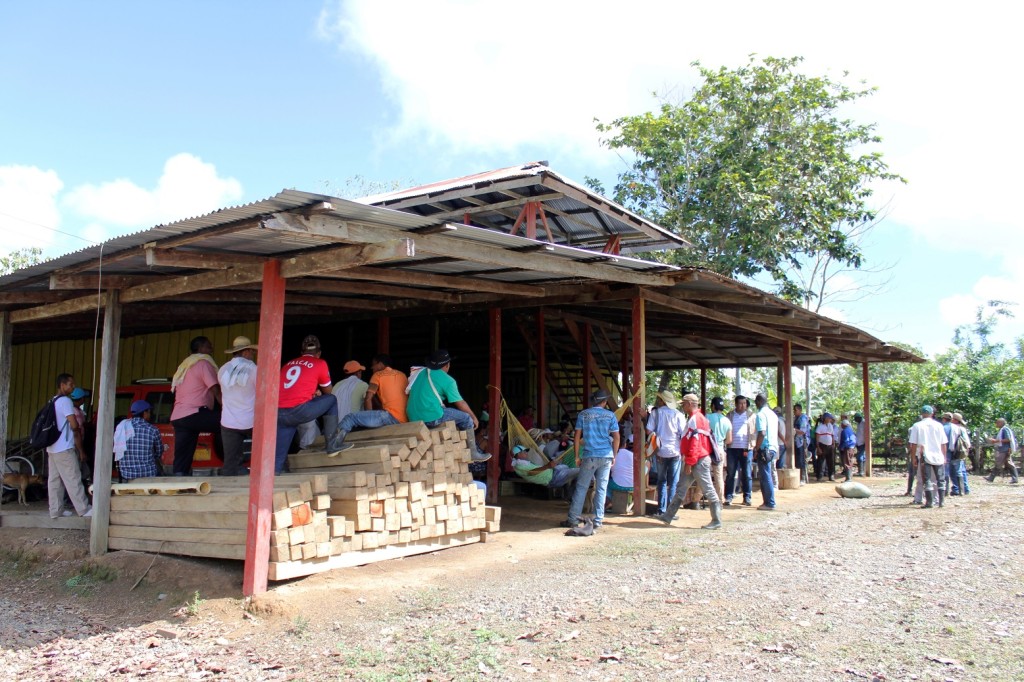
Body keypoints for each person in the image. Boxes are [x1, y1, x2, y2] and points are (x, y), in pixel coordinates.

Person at [406, 349, 490, 462]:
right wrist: (474, 417)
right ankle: (473, 453)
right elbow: (460, 403)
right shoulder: (448, 380)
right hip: (430, 417)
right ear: (447, 365)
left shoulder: (420, 373)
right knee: (466, 418)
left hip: (412, 417)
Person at [276, 335, 343, 473]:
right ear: (318, 353)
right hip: (300, 410)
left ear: (301, 353)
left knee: (277, 461)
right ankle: (332, 444)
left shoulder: (287, 364)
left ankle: (276, 477)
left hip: (279, 413)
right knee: (331, 400)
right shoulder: (320, 363)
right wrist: (316, 392)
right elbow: (328, 391)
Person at [660, 393, 722, 529]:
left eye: (683, 404)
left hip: (697, 460)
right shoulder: (700, 418)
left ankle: (717, 520)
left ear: (689, 404)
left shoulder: (695, 419)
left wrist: (689, 462)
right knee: (681, 488)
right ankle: (668, 515)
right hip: (696, 459)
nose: (682, 406)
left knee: (708, 489)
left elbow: (695, 443)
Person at [562, 389, 619, 530]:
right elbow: (616, 437)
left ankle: (573, 520)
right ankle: (598, 521)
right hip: (606, 455)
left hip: (589, 455)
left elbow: (577, 437)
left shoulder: (584, 414)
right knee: (601, 488)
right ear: (604, 402)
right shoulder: (610, 415)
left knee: (581, 488)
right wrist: (614, 455)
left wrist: (576, 456)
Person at [330, 354, 410, 451]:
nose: (372, 368)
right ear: (358, 373)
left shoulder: (377, 375)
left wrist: (369, 417)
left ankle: (334, 445)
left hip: (389, 416)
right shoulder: (403, 375)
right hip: (404, 419)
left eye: (373, 365)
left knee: (350, 417)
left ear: (380, 364)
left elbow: (368, 398)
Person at [169, 336, 221, 476]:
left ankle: (179, 476)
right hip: (195, 413)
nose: (211, 349)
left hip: (178, 416)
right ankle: (230, 465)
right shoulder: (203, 363)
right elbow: (215, 389)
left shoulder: (184, 366)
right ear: (200, 348)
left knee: (183, 453)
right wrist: (227, 409)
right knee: (228, 424)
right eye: (208, 346)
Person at [46, 373, 92, 519]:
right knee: (73, 478)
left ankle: (55, 510)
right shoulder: (65, 401)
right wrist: (80, 447)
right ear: (62, 385)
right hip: (64, 447)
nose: (72, 387)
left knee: (54, 480)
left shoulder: (52, 400)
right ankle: (84, 509)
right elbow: (73, 424)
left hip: (52, 447)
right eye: (70, 384)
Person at [217, 335, 258, 476]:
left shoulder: (222, 369)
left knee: (230, 463)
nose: (253, 355)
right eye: (252, 352)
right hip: (252, 419)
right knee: (262, 454)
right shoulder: (254, 370)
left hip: (229, 420)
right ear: (245, 352)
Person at [645, 390, 688, 517]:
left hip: (660, 451)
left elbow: (648, 431)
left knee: (661, 481)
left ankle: (661, 509)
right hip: (675, 451)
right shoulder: (678, 415)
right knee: (673, 481)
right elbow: (683, 434)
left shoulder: (655, 413)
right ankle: (671, 512)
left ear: (662, 401)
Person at [908, 405, 948, 508]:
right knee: (940, 479)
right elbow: (943, 443)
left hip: (925, 455)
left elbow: (913, 444)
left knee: (927, 479)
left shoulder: (917, 426)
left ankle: (929, 502)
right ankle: (941, 501)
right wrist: (944, 456)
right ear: (932, 413)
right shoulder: (939, 425)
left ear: (922, 414)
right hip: (938, 455)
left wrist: (913, 458)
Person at [116, 400, 164, 482]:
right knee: (161, 470)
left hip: (127, 474)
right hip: (148, 473)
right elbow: (159, 452)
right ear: (145, 413)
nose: (150, 414)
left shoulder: (122, 427)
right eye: (149, 412)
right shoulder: (153, 430)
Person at [724, 395, 755, 506]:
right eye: (740, 403)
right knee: (731, 473)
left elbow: (755, 431)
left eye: (744, 403)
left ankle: (747, 497)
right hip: (732, 449)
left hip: (746, 448)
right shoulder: (730, 415)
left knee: (746, 474)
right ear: (736, 404)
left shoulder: (751, 416)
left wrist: (753, 445)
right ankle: (728, 497)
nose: (743, 406)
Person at [753, 394, 780, 511]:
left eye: (756, 402)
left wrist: (756, 448)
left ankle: (769, 502)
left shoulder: (760, 415)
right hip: (773, 447)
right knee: (767, 473)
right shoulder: (773, 414)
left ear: (759, 402)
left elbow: (762, 433)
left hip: (765, 448)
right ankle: (768, 501)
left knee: (765, 475)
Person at [512, 444, 579, 488]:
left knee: (570, 469)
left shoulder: (524, 463)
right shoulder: (519, 466)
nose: (526, 453)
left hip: (554, 471)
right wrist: (547, 466)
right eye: (524, 451)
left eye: (526, 451)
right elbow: (531, 472)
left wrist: (551, 465)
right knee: (580, 471)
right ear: (518, 454)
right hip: (553, 478)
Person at [707, 396, 732, 503]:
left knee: (704, 475)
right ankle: (720, 499)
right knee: (719, 477)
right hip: (720, 450)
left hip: (708, 450)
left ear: (713, 406)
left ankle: (696, 499)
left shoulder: (707, 417)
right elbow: (729, 440)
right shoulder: (727, 421)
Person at [986, 417, 1019, 484]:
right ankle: (1015, 478)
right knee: (1009, 464)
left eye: (997, 422)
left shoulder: (1004, 429)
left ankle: (991, 478)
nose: (996, 424)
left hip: (1005, 449)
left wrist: (996, 441)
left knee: (999, 463)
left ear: (1001, 423)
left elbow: (1008, 439)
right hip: (1004, 449)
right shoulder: (1003, 430)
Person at [949, 412, 971, 495]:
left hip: (957, 451)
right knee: (961, 470)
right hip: (961, 451)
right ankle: (965, 489)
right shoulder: (962, 428)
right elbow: (967, 443)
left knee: (956, 471)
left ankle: (957, 489)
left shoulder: (956, 428)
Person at [815, 413, 836, 481]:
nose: (830, 420)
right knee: (821, 461)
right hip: (822, 445)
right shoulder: (820, 426)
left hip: (830, 446)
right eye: (829, 418)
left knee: (831, 461)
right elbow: (817, 437)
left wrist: (833, 444)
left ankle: (831, 475)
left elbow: (832, 435)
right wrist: (818, 447)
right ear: (826, 418)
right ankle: (819, 476)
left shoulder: (831, 426)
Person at [793, 403, 810, 485]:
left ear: (800, 410)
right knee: (797, 459)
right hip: (796, 441)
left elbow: (803, 431)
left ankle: (802, 478)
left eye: (795, 410)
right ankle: (799, 478)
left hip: (801, 442)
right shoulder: (796, 418)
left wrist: (793, 430)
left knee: (801, 459)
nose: (794, 412)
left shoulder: (803, 418)